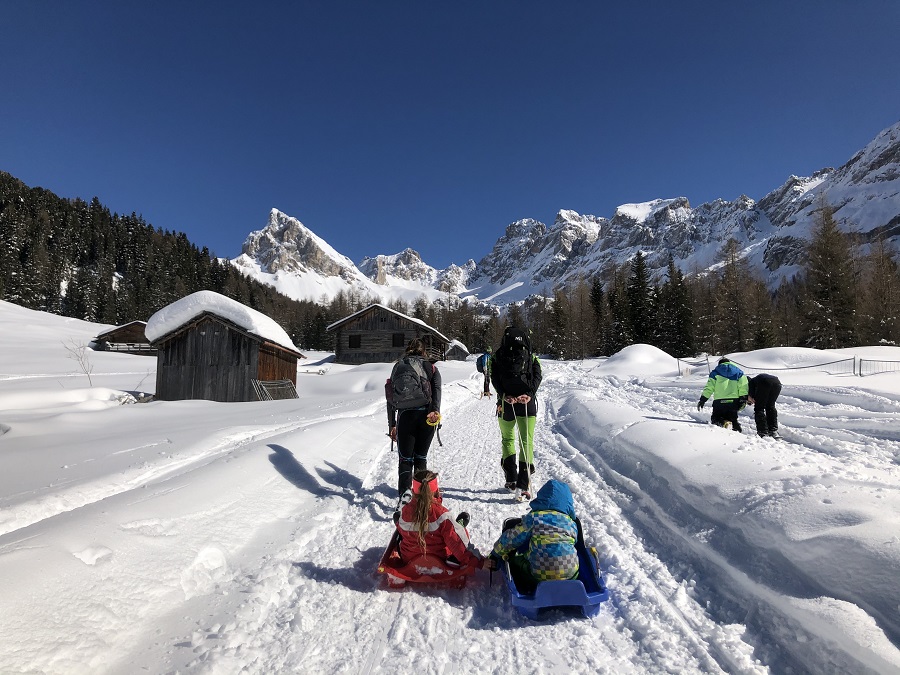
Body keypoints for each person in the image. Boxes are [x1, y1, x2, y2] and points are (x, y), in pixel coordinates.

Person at [492, 479, 579, 593]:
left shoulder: (534, 518)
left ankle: (522, 582)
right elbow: (573, 542)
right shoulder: (571, 523)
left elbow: (511, 538)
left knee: (516, 560)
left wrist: (495, 554)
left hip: (539, 576)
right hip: (571, 576)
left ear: (541, 499)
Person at [395, 470, 494, 571]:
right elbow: (458, 544)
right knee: (458, 532)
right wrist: (480, 562)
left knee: (400, 533)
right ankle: (456, 544)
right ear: (437, 490)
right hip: (439, 561)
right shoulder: (442, 515)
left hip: (409, 559)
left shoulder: (404, 511)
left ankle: (458, 526)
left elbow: (401, 530)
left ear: (413, 491)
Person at [490, 326, 542, 498]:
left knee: (508, 439)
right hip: (527, 403)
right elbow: (537, 375)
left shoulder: (497, 356)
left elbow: (494, 377)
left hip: (505, 403)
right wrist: (528, 394)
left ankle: (511, 478)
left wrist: (504, 395)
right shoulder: (531, 355)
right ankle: (523, 484)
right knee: (526, 441)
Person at [386, 339, 442, 500]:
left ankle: (405, 495)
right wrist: (435, 411)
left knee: (405, 459)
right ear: (424, 351)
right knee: (420, 457)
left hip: (405, 416)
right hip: (426, 416)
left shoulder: (398, 366)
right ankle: (420, 496)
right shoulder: (431, 368)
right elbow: (437, 392)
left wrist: (392, 424)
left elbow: (390, 396)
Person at [697, 356, 749, 432]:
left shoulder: (715, 373)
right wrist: (743, 399)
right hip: (734, 401)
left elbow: (709, 387)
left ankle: (723, 423)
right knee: (733, 419)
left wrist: (703, 400)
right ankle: (738, 431)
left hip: (719, 401)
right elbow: (743, 386)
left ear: (719, 364)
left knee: (716, 419)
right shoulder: (739, 373)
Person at [748, 373, 782, 438]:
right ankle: (773, 430)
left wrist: (750, 398)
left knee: (759, 408)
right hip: (777, 383)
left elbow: (750, 396)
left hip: (765, 382)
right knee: (770, 406)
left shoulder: (751, 382)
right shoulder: (756, 379)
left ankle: (762, 432)